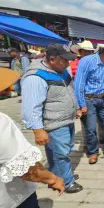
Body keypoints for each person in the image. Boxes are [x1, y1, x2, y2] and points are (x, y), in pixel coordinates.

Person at [21, 43, 83, 193]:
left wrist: (76, 107)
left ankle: (59, 175)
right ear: (52, 59)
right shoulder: (36, 77)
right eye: (65, 60)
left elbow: (69, 90)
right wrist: (38, 130)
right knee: (60, 153)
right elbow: (31, 107)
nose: (68, 63)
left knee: (61, 151)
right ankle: (67, 182)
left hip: (66, 119)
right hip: (54, 123)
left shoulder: (61, 70)